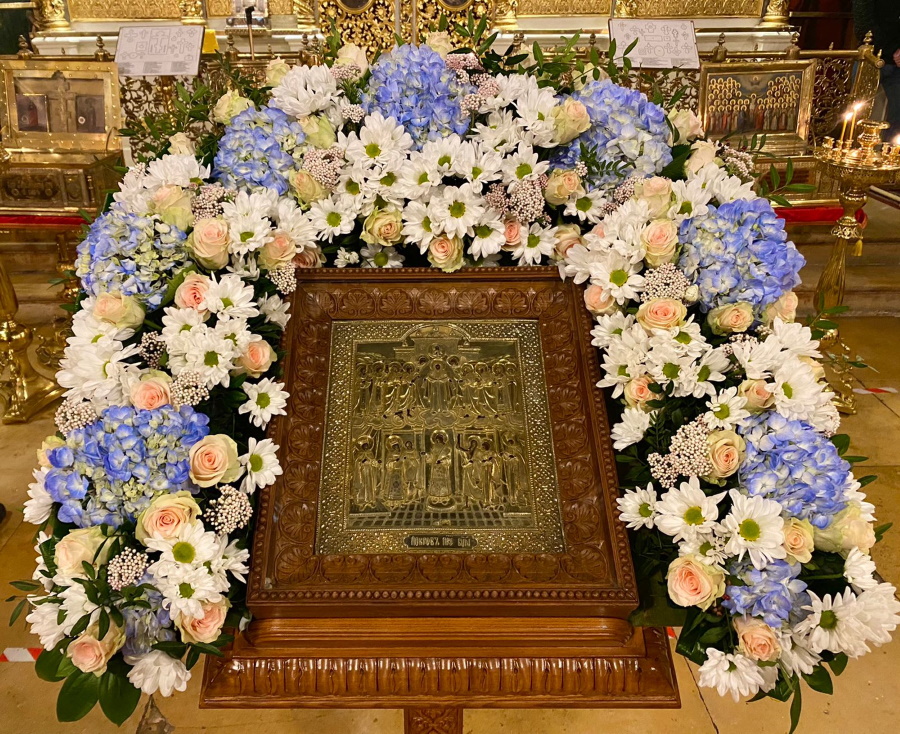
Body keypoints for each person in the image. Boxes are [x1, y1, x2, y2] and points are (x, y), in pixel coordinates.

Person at [853, 0, 900, 139]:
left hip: (896, 64)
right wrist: (892, 50)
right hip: (869, 59)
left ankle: (889, 151)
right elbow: (863, 26)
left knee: (896, 120)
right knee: (859, 114)